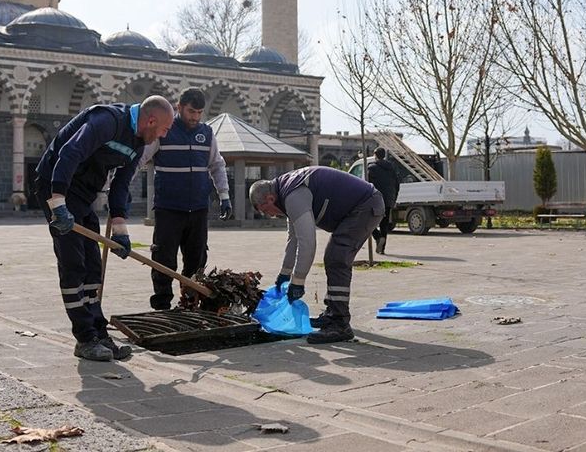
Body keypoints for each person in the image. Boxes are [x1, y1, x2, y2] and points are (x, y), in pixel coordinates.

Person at [35, 95, 175, 361]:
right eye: (165, 129)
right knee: (73, 262)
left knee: (93, 265)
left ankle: (99, 332)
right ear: (151, 120)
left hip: (85, 193)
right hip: (56, 184)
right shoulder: (108, 120)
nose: (165, 135)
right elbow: (70, 152)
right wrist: (57, 202)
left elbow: (121, 184)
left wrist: (121, 231)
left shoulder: (139, 142)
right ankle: (85, 338)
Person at [249, 166, 384, 344]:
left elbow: (307, 241)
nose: (270, 215)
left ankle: (340, 323)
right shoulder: (287, 192)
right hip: (360, 206)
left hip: (366, 205)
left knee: (336, 258)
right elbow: (294, 239)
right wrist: (285, 274)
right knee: (335, 256)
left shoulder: (293, 195)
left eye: (265, 211)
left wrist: (298, 282)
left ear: (269, 199)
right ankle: (333, 314)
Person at [138, 88, 232, 310]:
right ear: (179, 107)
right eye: (191, 111)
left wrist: (224, 195)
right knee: (163, 258)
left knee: (197, 259)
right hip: (168, 208)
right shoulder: (164, 131)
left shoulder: (207, 134)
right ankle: (161, 304)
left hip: (198, 208)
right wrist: (118, 188)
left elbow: (217, 165)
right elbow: (140, 158)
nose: (195, 117)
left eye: (199, 112)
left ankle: (190, 301)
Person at [367, 147, 400, 255]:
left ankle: (377, 237)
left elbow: (368, 186)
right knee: (384, 224)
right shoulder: (391, 168)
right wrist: (394, 198)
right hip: (389, 199)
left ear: (375, 155)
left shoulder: (371, 168)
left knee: (368, 222)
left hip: (376, 199)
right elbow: (397, 184)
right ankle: (382, 249)